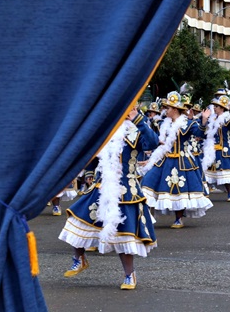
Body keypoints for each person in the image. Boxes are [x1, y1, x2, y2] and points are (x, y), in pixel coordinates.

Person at [59, 106, 158, 290]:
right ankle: (79, 258)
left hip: (126, 191)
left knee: (124, 234)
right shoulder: (107, 129)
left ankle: (129, 275)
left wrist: (138, 119)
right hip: (100, 186)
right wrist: (89, 171)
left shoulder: (137, 129)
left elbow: (152, 143)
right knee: (77, 219)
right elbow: (93, 153)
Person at [140, 91, 213, 229]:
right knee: (147, 183)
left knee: (179, 190)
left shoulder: (188, 124)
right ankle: (146, 218)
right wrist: (150, 159)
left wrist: (203, 120)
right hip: (164, 159)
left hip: (182, 161)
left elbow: (200, 134)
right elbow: (159, 142)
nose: (165, 110)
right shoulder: (163, 124)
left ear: (174, 109)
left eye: (168, 108)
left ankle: (179, 218)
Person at [202, 93, 230, 202]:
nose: (214, 108)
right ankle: (204, 194)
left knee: (224, 173)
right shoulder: (212, 118)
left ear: (222, 108)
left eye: (216, 106)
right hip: (211, 149)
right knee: (206, 173)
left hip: (224, 150)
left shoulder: (227, 118)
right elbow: (206, 132)